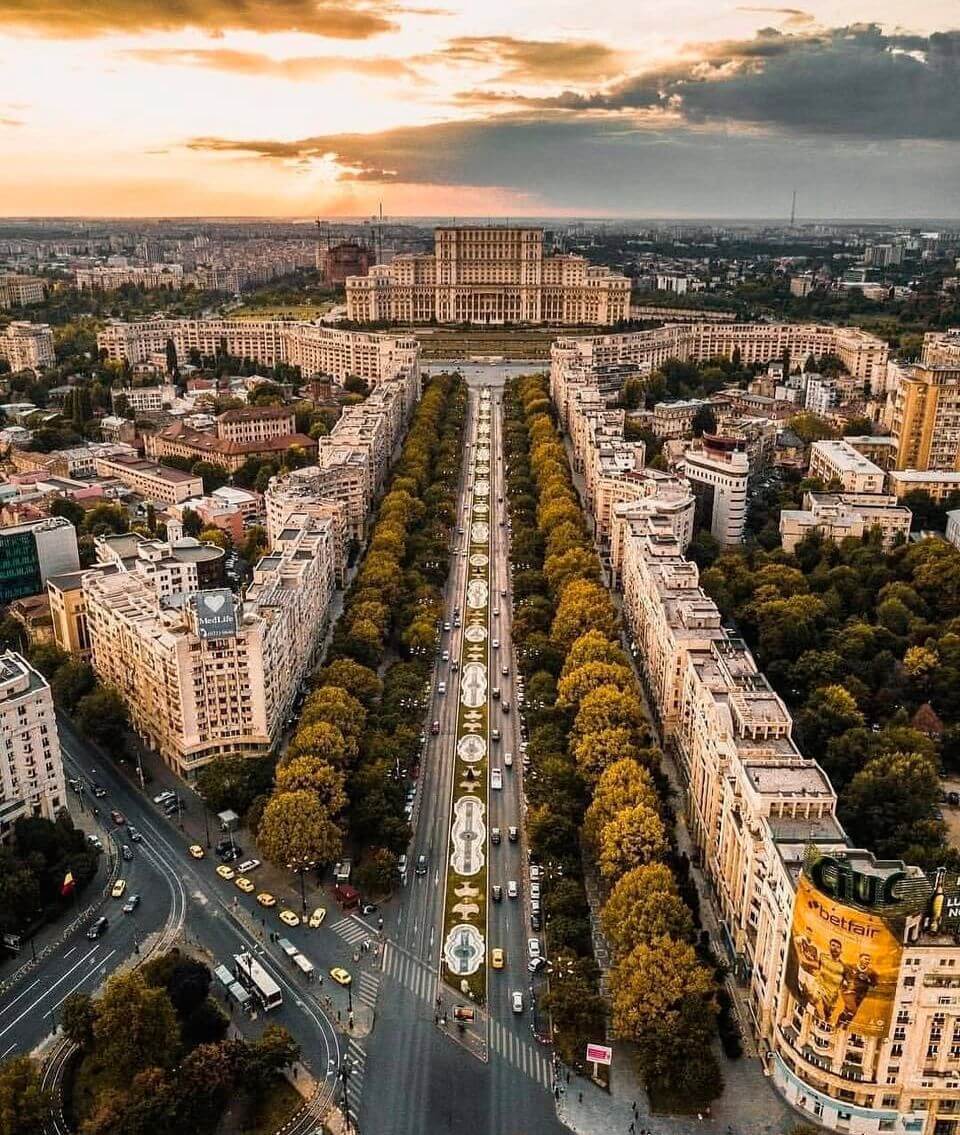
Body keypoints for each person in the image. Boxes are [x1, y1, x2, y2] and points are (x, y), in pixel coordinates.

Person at [836, 952, 879, 1029]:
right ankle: (840, 1025)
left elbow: (874, 985)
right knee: (852, 1010)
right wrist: (845, 982)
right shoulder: (851, 967)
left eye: (868, 960)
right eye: (865, 959)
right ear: (860, 959)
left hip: (860, 995)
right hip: (849, 992)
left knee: (848, 1011)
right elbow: (842, 974)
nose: (867, 961)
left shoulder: (871, 973)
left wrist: (869, 981)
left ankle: (842, 1025)